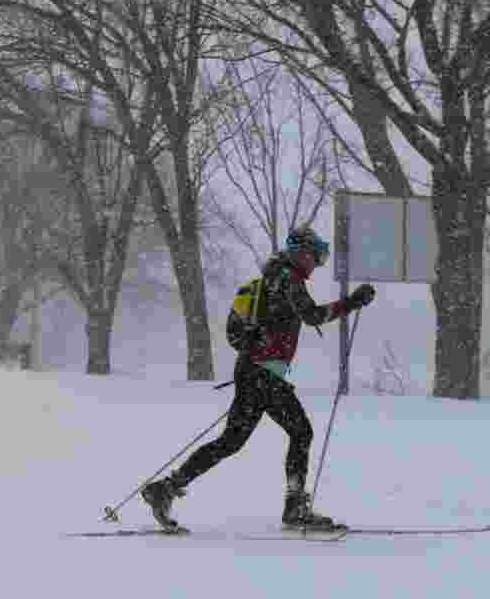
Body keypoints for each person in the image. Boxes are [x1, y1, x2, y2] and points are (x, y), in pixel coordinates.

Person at [141, 222, 376, 530]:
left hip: (254, 371)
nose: (316, 265)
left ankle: (166, 488)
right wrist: (352, 302)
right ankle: (294, 508)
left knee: (231, 441)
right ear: (300, 254)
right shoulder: (288, 279)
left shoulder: (272, 278)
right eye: (314, 257)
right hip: (263, 375)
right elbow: (312, 316)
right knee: (300, 432)